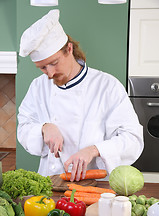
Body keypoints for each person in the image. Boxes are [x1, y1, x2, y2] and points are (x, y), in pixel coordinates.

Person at [17, 9, 144, 182]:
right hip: (50, 182)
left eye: (54, 63)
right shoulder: (38, 87)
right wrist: (44, 127)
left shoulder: (107, 86)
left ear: (69, 49)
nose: (49, 73)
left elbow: (132, 139)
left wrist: (94, 150)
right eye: (42, 67)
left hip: (96, 186)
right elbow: (23, 128)